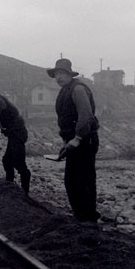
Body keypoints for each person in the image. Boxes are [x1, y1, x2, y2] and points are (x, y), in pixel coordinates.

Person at [47, 58, 100, 223]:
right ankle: (79, 215)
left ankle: (88, 218)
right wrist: (67, 143)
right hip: (73, 141)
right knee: (71, 180)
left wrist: (77, 138)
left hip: (84, 140)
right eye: (56, 74)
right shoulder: (65, 90)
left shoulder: (78, 89)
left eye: (62, 73)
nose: (59, 77)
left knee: (84, 179)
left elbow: (86, 116)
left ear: (70, 74)